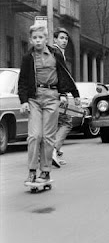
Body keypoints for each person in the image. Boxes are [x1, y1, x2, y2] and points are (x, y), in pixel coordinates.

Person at [18, 24, 79, 183]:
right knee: (34, 135)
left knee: (47, 137)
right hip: (34, 99)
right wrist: (23, 101)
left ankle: (45, 172)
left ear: (46, 39)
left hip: (52, 97)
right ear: (31, 39)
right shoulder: (27, 58)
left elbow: (65, 74)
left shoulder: (55, 54)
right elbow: (23, 81)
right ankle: (32, 171)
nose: (38, 41)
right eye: (35, 38)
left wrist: (75, 94)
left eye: (41, 38)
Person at [52, 27, 80, 166]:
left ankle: (53, 153)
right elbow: (63, 75)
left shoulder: (56, 53)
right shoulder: (56, 53)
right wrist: (69, 93)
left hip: (52, 93)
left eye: (66, 38)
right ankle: (53, 150)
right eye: (61, 38)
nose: (64, 41)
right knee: (66, 122)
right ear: (54, 39)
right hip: (58, 94)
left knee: (55, 124)